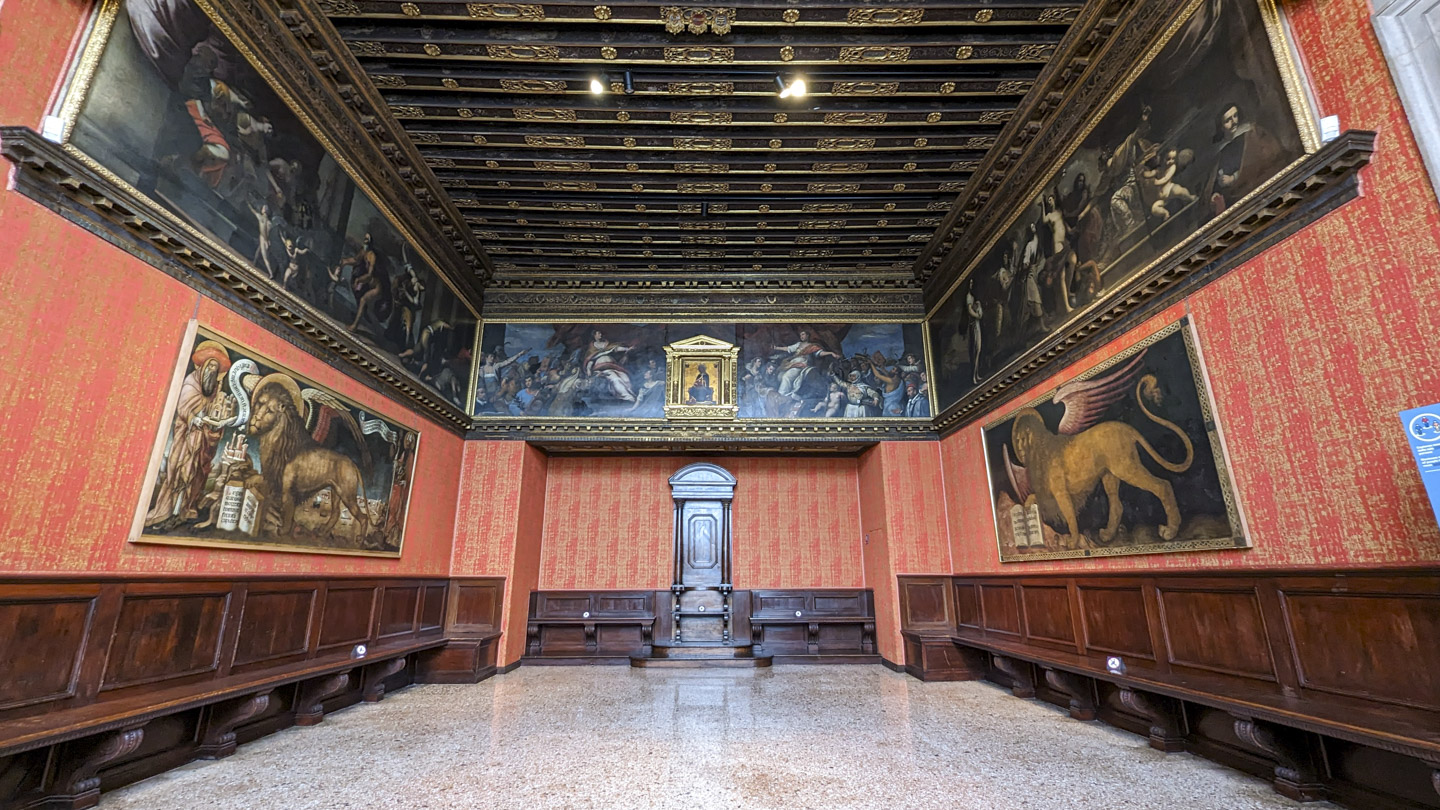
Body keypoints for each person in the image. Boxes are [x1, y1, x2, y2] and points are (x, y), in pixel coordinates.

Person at [145, 340, 233, 529]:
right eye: (210, 365)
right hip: (186, 438)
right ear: (202, 366)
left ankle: (184, 510)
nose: (212, 370)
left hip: (201, 441)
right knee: (180, 471)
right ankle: (169, 511)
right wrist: (195, 418)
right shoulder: (191, 382)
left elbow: (215, 412)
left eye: (216, 368)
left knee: (195, 473)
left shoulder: (214, 390)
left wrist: (215, 420)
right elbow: (184, 407)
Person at [772, 330, 839, 399]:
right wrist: (777, 348)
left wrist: (831, 353)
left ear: (807, 335)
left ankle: (782, 396)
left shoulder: (812, 346)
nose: (801, 336)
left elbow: (820, 353)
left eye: (803, 334)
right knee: (780, 375)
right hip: (792, 363)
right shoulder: (798, 344)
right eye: (801, 335)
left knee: (786, 376)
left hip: (801, 365)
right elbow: (788, 348)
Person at [583, 330, 637, 402]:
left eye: (601, 333)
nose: (601, 335)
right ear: (594, 336)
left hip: (613, 366)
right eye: (599, 333)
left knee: (625, 378)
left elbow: (615, 349)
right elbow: (590, 360)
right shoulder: (592, 349)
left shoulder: (607, 345)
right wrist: (588, 369)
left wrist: (627, 349)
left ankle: (632, 394)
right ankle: (627, 397)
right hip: (602, 369)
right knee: (616, 379)